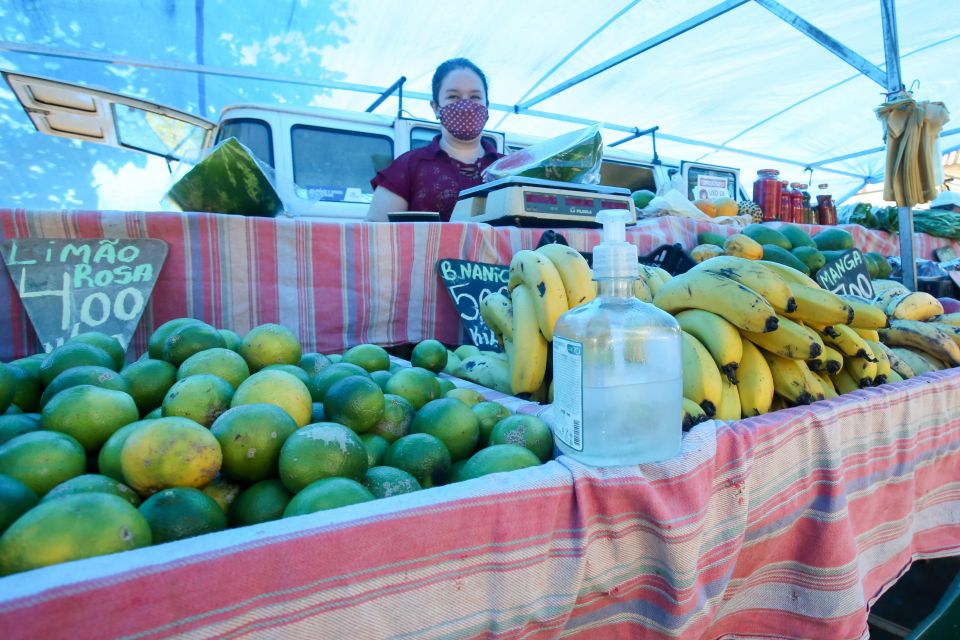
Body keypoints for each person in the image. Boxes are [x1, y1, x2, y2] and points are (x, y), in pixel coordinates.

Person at [366, 58, 503, 222]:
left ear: (487, 105)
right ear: (436, 107)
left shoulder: (508, 169)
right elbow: (374, 234)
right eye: (453, 96)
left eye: (475, 97)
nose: (466, 105)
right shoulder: (409, 166)